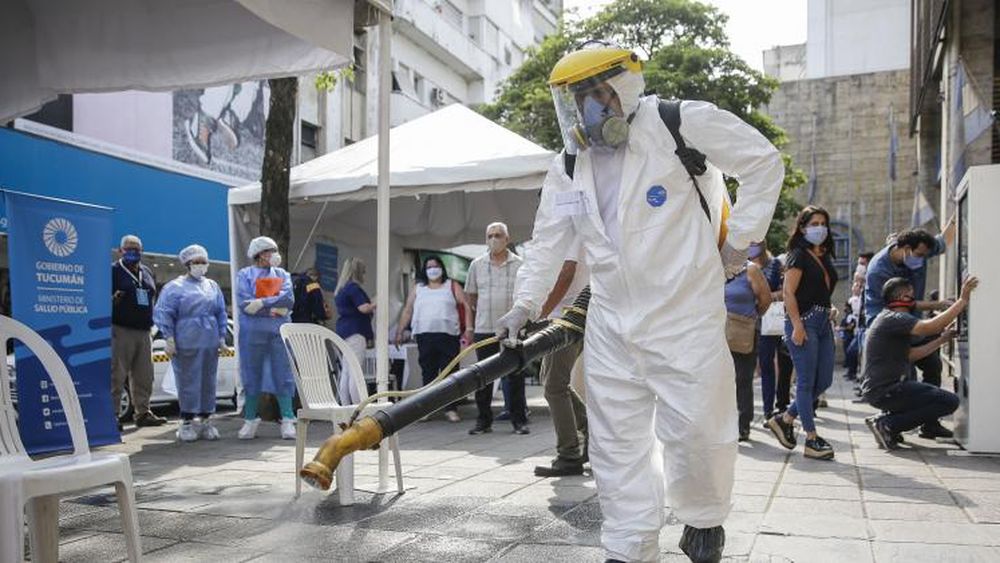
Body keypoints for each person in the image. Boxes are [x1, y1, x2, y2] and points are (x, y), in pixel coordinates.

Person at [495, 45, 783, 562]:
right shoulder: (568, 164)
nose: (588, 109)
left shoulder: (678, 124)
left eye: (596, 94)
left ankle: (703, 517)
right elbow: (548, 241)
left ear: (623, 90)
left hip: (685, 314)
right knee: (615, 444)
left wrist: (740, 240)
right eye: (576, 99)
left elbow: (763, 160)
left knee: (697, 432)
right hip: (610, 321)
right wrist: (523, 305)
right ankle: (629, 544)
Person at [861, 276, 978, 449]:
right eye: (911, 295)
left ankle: (887, 421)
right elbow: (930, 327)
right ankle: (888, 424)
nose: (914, 300)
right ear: (902, 297)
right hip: (888, 390)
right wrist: (962, 300)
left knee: (930, 395)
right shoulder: (895, 318)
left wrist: (942, 339)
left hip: (881, 390)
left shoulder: (888, 318)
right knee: (949, 401)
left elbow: (911, 355)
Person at [864, 223, 956, 438]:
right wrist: (944, 305)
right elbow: (905, 305)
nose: (922, 259)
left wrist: (959, 200)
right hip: (889, 329)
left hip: (912, 326)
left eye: (925, 255)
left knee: (932, 364)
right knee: (903, 379)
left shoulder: (921, 248)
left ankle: (928, 423)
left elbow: (945, 239)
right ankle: (891, 424)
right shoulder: (879, 269)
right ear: (903, 248)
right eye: (919, 255)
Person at [767, 206, 838, 460]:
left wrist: (829, 308)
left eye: (823, 222)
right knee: (806, 382)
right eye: (814, 223)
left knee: (824, 380)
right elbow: (788, 292)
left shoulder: (824, 254)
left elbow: (819, 290)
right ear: (802, 227)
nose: (819, 227)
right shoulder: (798, 255)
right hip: (803, 322)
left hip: (822, 321)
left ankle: (785, 419)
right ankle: (811, 438)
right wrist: (796, 325)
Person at [153, 245, 228, 442]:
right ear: (188, 264)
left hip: (209, 342)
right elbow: (164, 312)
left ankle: (206, 420)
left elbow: (220, 311)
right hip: (186, 341)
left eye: (204, 262)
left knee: (207, 382)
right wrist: (169, 338)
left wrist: (221, 337)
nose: (201, 265)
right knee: (188, 382)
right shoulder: (174, 287)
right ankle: (186, 422)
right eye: (197, 262)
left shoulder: (212, 286)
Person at [465, 222, 529, 436]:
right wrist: (469, 326)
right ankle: (483, 421)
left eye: (498, 235)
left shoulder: (520, 264)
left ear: (507, 239)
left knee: (515, 374)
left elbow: (526, 295)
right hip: (485, 327)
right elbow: (470, 298)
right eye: (490, 235)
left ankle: (519, 420)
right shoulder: (477, 264)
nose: (494, 239)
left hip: (512, 328)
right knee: (482, 375)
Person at [534, 240, 590, 476]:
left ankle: (569, 455)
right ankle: (591, 433)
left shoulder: (570, 232)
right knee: (551, 381)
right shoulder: (566, 231)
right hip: (561, 317)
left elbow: (567, 273)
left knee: (554, 386)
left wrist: (541, 312)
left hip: (568, 318)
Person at [235, 236, 296, 440]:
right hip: (253, 333)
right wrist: (273, 307)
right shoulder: (244, 275)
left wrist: (260, 303)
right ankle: (250, 420)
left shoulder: (282, 274)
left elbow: (288, 299)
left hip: (278, 332)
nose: (274, 255)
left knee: (282, 372)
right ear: (260, 254)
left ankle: (288, 419)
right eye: (270, 251)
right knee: (252, 373)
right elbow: (245, 304)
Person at [395, 256, 468, 422]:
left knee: (450, 373)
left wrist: (469, 329)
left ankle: (451, 408)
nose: (433, 269)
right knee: (428, 372)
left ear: (442, 268)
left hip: (448, 334)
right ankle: (427, 408)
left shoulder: (452, 285)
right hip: (424, 335)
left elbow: (465, 305)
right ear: (424, 270)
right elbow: (408, 310)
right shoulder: (418, 288)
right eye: (429, 267)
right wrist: (400, 331)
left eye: (436, 266)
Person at [111, 234, 167, 428]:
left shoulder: (147, 272)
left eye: (136, 249)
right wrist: (113, 299)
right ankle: (112, 415)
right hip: (121, 329)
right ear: (120, 251)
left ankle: (143, 413)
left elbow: (151, 297)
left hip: (144, 331)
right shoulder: (113, 271)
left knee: (144, 375)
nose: (133, 252)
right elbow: (101, 299)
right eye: (129, 249)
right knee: (117, 374)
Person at [725, 248, 772, 441]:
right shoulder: (715, 269)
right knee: (719, 381)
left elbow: (765, 300)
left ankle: (743, 425)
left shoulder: (750, 270)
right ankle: (723, 424)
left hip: (743, 330)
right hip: (716, 332)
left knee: (742, 379)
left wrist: (751, 317)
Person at [752, 242, 786, 422]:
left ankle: (772, 407)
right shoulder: (743, 264)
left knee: (772, 363)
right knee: (757, 366)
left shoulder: (775, 264)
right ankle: (757, 410)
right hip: (751, 321)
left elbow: (785, 291)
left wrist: (768, 296)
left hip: (772, 319)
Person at [334, 258, 375, 406]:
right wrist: (376, 302)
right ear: (358, 272)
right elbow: (363, 308)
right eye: (363, 272)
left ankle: (346, 407)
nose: (364, 275)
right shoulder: (354, 288)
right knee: (356, 372)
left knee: (346, 371)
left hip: (343, 332)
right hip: (356, 332)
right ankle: (359, 408)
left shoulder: (341, 289)